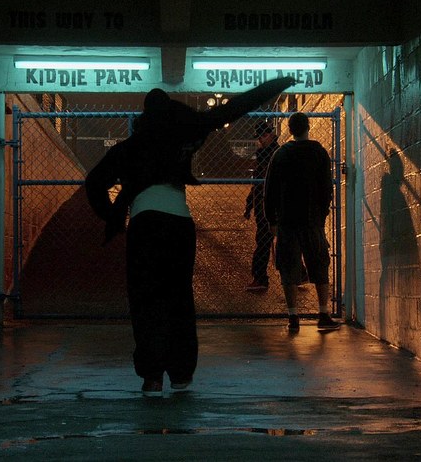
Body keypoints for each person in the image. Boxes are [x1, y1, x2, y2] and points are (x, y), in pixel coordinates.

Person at [85, 77, 295, 396]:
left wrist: (113, 216)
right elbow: (233, 109)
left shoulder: (129, 148)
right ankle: (181, 374)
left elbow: (94, 183)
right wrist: (276, 85)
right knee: (179, 299)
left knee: (145, 300)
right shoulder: (184, 133)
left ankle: (152, 377)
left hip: (145, 223)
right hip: (179, 223)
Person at [264, 112, 341, 331]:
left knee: (288, 267)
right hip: (311, 219)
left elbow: (270, 190)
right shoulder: (318, 152)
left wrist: (272, 219)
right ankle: (323, 313)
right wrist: (322, 213)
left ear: (290, 130)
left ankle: (293, 317)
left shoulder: (280, 154)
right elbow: (326, 187)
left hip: (287, 220)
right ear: (308, 127)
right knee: (319, 264)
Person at [243, 121, 308, 292]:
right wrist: (249, 204)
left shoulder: (276, 154)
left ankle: (261, 278)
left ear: (271, 135)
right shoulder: (266, 154)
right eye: (259, 137)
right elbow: (257, 184)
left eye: (263, 136)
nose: (260, 139)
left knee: (266, 242)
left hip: (272, 205)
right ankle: (299, 273)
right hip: (268, 205)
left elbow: (267, 183)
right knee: (278, 241)